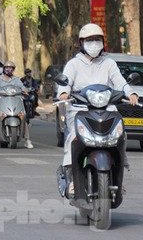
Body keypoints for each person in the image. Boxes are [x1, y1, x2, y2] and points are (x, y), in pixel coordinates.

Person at [55, 23, 138, 195]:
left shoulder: (109, 63)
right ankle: (72, 178)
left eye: (97, 40)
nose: (94, 43)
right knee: (74, 136)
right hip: (79, 109)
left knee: (120, 135)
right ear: (81, 43)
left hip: (107, 109)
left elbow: (120, 81)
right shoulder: (74, 64)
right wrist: (63, 93)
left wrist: (131, 93)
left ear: (103, 43)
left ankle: (117, 177)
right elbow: (65, 82)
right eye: (89, 40)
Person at [0, 61, 34, 149]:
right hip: (2, 102)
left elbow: (22, 87)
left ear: (13, 69)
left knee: (23, 117)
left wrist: (26, 90)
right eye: (7, 68)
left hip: (15, 101)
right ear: (4, 69)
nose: (9, 69)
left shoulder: (16, 79)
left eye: (10, 68)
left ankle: (27, 140)